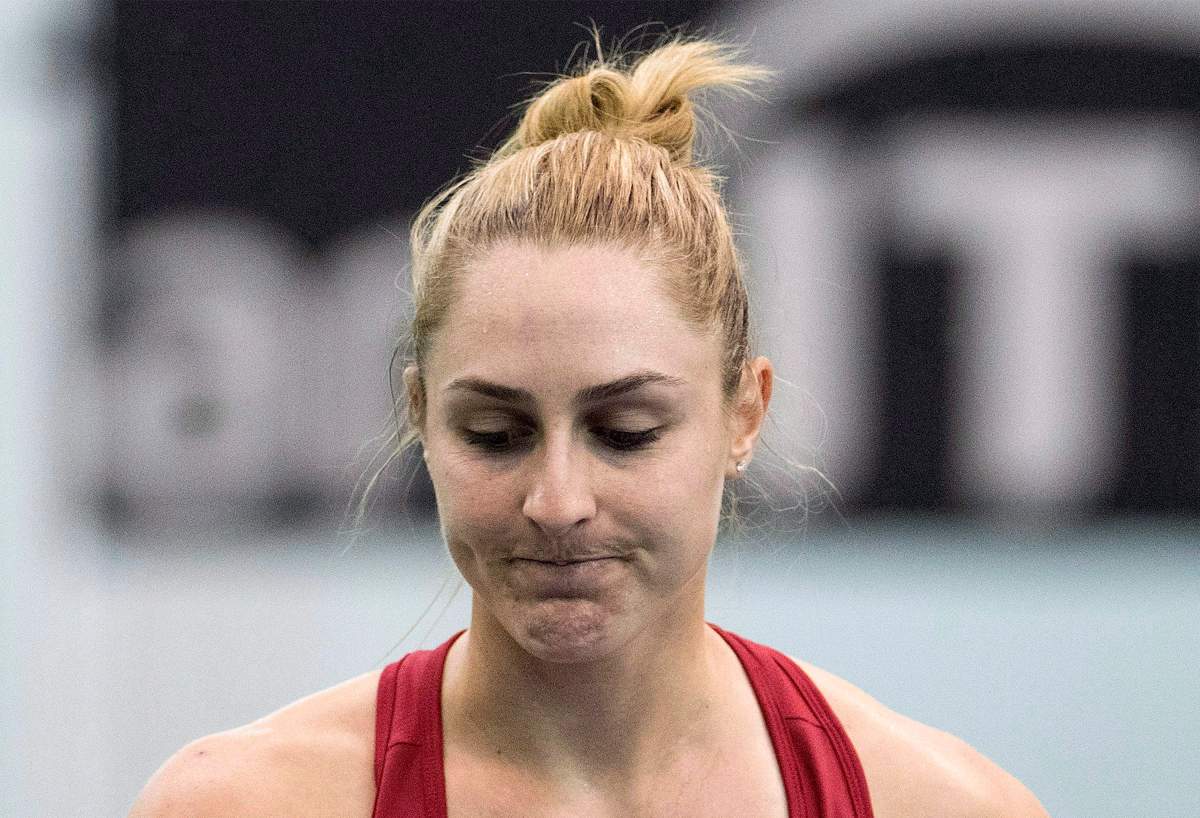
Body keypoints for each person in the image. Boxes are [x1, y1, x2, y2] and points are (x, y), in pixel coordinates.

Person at [130, 37, 1049, 818]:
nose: (558, 502)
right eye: (495, 433)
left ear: (745, 415)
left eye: (626, 430)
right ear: (418, 416)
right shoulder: (250, 803)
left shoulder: (939, 804)